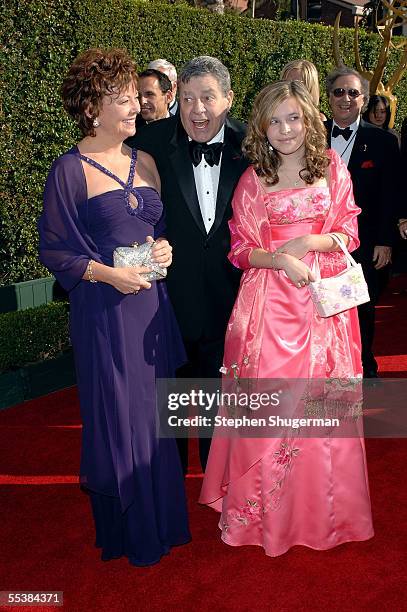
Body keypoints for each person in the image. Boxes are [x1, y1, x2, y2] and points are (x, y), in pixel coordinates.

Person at [199, 80, 374, 557]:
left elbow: (349, 230)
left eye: (294, 117)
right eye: (274, 120)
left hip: (323, 309)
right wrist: (280, 260)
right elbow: (238, 249)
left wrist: (308, 244)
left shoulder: (333, 168)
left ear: (309, 119)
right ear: (260, 127)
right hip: (269, 311)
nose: (285, 129)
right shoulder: (254, 179)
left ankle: (324, 513)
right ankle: (266, 517)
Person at [38, 48, 190, 566]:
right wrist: (110, 274)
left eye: (134, 98)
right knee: (119, 416)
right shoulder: (69, 170)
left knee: (154, 416)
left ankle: (163, 519)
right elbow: (57, 250)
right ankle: (132, 531)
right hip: (104, 312)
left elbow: (157, 232)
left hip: (151, 311)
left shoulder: (144, 160)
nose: (135, 107)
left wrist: (163, 249)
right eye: (122, 100)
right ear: (92, 108)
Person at [127, 56, 248, 474]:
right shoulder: (151, 142)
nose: (197, 110)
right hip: (169, 299)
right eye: (188, 98)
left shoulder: (252, 144)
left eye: (208, 98)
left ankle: (218, 480)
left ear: (228, 99)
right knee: (173, 400)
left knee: (221, 399)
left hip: (232, 297)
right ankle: (170, 480)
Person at [325, 66, 401, 378]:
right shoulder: (311, 136)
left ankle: (363, 366)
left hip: (366, 242)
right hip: (320, 240)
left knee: (362, 308)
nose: (345, 98)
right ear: (328, 97)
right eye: (338, 92)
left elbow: (391, 194)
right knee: (324, 307)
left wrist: (385, 241)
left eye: (353, 93)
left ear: (364, 99)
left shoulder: (383, 141)